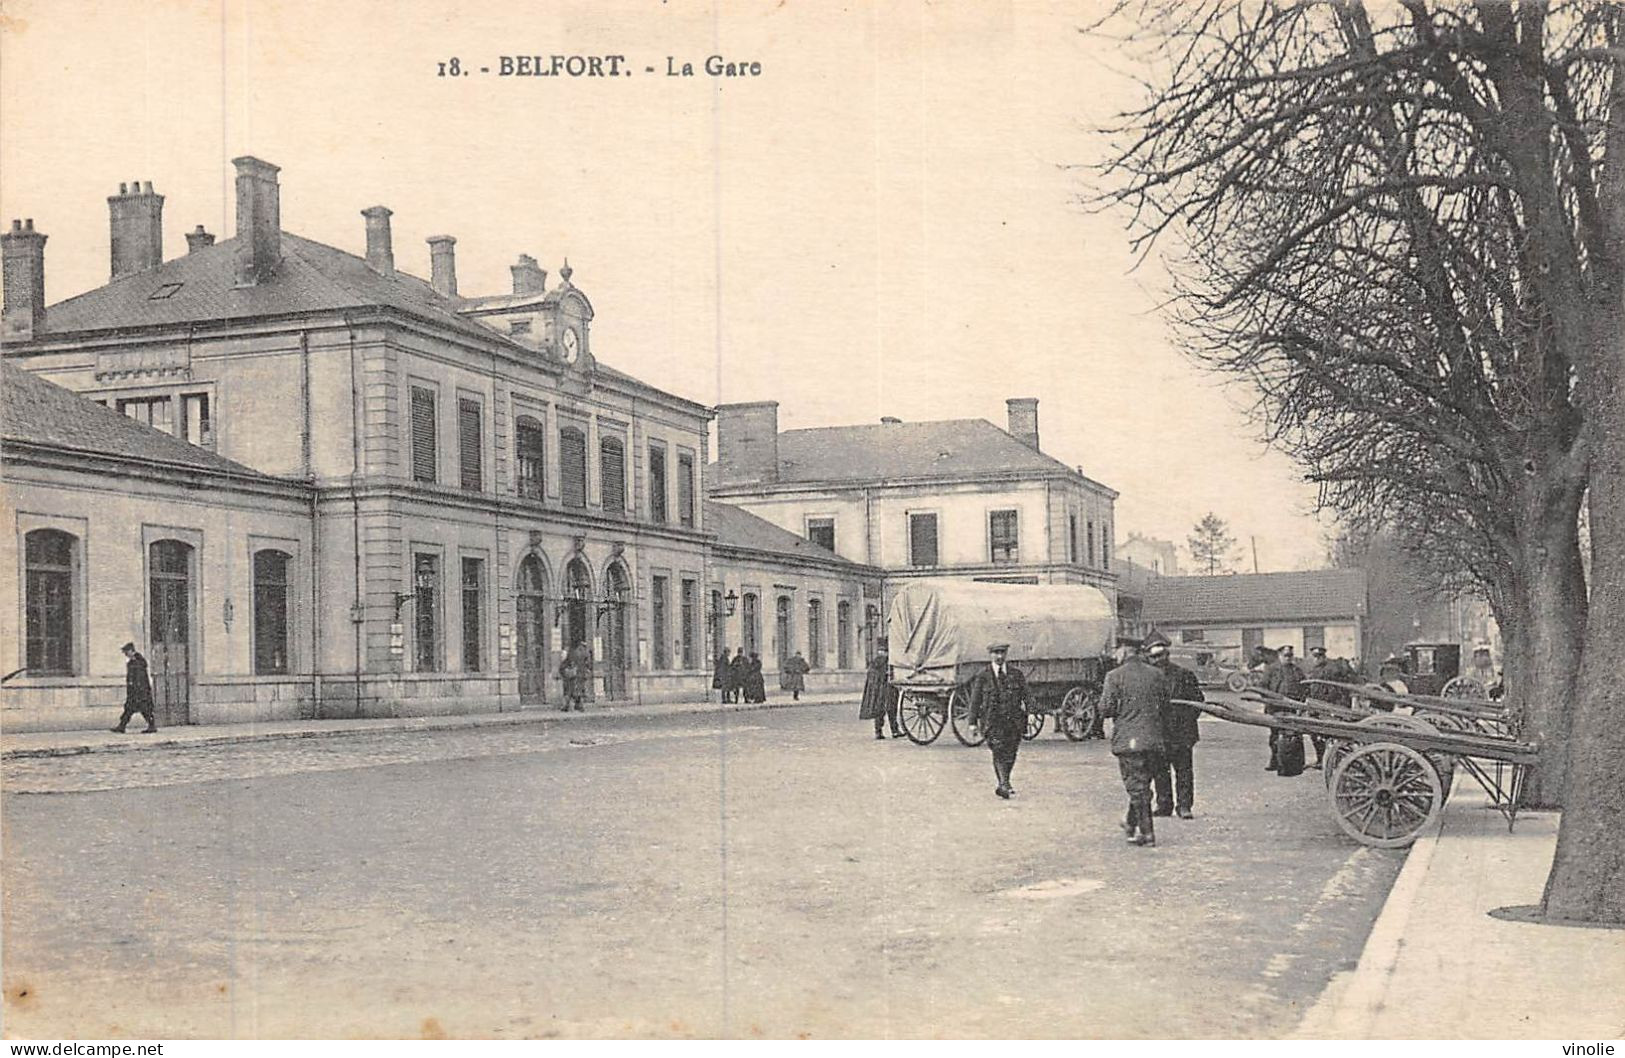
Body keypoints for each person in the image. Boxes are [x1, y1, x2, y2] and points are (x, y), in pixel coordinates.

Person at [1100, 635, 1169, 846]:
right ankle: (1130, 823)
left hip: (1129, 741)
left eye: (1117, 651)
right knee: (1143, 784)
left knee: (1137, 787)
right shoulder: (1157, 674)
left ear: (1123, 651)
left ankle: (1147, 834)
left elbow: (1105, 709)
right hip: (1154, 739)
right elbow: (1165, 706)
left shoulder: (1114, 676)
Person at [966, 643, 1034, 799]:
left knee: (1011, 753)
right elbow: (975, 701)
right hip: (992, 722)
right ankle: (1003, 784)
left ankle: (1006, 780)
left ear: (1006, 654)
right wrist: (972, 723)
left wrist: (1031, 713)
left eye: (1002, 653)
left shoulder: (1016, 674)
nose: (999, 656)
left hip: (1013, 721)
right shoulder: (983, 675)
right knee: (998, 750)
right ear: (990, 655)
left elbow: (1027, 695)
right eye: (996, 653)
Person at [1149, 634, 1202, 819]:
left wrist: (1185, 721)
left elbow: (1198, 702)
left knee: (1184, 772)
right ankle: (1164, 805)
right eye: (1154, 657)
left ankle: (1184, 807)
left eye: (1161, 655)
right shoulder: (1149, 679)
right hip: (1159, 734)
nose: (1158, 660)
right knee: (1160, 772)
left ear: (1167, 654)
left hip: (1181, 733)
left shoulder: (1184, 675)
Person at [1263, 645, 1307, 771]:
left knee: (1295, 735)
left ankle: (1296, 763)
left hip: (1292, 708)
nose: (1288, 658)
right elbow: (1263, 687)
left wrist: (1301, 705)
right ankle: (1275, 761)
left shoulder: (1297, 671)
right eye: (1286, 656)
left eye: (1290, 656)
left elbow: (1305, 688)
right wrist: (1269, 701)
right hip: (1275, 708)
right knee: (1275, 735)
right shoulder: (1271, 670)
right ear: (1279, 656)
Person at [110, 641, 158, 734]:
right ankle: (122, 726)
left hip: (140, 691)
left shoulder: (138, 662)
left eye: (126, 652)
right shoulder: (134, 662)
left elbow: (139, 679)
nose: (125, 654)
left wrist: (135, 689)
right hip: (135, 691)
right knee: (130, 709)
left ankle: (151, 726)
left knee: (142, 709)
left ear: (131, 651)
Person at [859, 638, 902, 739]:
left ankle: (880, 731)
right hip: (887, 688)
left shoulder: (876, 662)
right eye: (883, 651)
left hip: (881, 689)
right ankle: (892, 730)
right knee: (890, 708)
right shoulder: (886, 661)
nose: (883, 653)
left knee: (882, 708)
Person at [558, 642, 591, 712]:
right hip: (580, 674)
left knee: (570, 690)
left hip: (573, 674)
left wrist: (563, 671)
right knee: (577, 690)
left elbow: (565, 662)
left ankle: (568, 706)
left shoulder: (572, 652)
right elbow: (588, 664)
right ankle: (578, 706)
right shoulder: (585, 653)